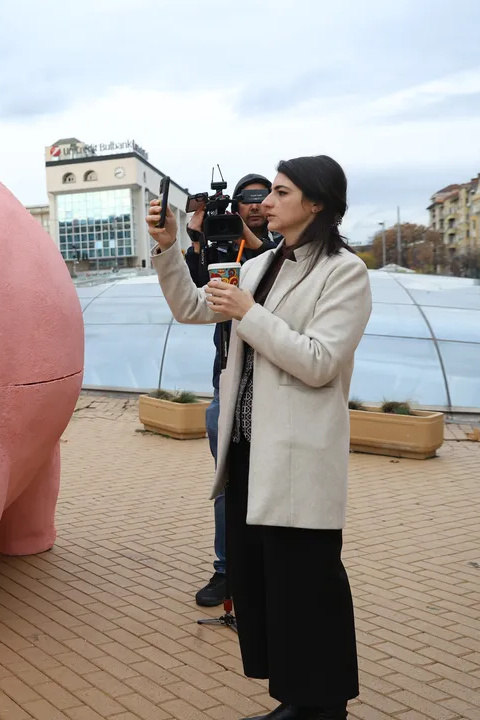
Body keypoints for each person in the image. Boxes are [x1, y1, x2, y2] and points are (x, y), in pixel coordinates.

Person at [146, 155, 372, 720]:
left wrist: (249, 314)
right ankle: (298, 699)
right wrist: (170, 249)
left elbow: (319, 362)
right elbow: (192, 306)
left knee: (309, 584)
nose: (264, 203)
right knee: (267, 582)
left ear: (315, 203)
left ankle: (322, 705)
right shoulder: (259, 266)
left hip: (297, 454)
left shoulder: (344, 272)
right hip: (248, 451)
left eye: (279, 192)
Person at [187, 174, 280, 608]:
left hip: (275, 381)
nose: (257, 206)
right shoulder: (221, 248)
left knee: (273, 481)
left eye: (266, 198)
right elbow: (193, 295)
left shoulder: (287, 249)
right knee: (227, 482)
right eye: (247, 200)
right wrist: (195, 240)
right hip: (227, 379)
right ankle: (226, 571)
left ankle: (268, 570)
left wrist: (249, 240)